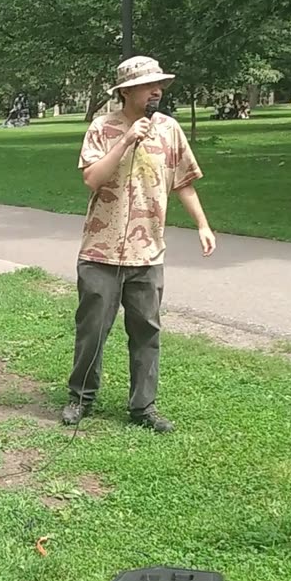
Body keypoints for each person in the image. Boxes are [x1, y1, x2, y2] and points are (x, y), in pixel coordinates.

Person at [61, 55, 216, 433]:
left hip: (148, 253)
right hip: (100, 251)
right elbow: (92, 179)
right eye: (149, 85)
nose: (157, 90)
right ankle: (81, 397)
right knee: (92, 330)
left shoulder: (169, 130)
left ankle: (143, 408)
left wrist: (203, 224)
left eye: (159, 85)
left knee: (147, 332)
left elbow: (184, 182)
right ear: (127, 91)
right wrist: (127, 140)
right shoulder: (102, 128)